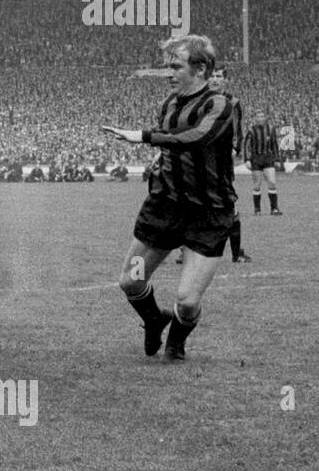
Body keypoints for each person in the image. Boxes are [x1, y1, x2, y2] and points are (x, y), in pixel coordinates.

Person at [103, 35, 236, 362]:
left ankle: (176, 341)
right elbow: (173, 146)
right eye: (169, 66)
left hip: (208, 213)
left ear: (201, 68)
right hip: (163, 209)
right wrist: (158, 159)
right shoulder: (169, 104)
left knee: (188, 300)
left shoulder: (218, 104)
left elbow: (197, 138)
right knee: (130, 280)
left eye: (176, 66)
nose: (169, 73)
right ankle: (154, 319)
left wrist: (144, 137)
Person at [207, 67, 251, 262]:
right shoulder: (198, 100)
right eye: (212, 76)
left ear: (225, 80)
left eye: (219, 76)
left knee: (227, 205)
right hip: (199, 161)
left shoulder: (233, 103)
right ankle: (187, 252)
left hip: (221, 162)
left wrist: (233, 152)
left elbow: (238, 131)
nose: (215, 79)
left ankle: (235, 254)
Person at [244, 108, 283, 216]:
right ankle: (257, 210)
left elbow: (274, 144)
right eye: (258, 116)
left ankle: (274, 209)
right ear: (255, 118)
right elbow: (246, 146)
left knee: (272, 182)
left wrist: (277, 159)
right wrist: (247, 159)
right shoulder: (251, 130)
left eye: (262, 116)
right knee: (257, 184)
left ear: (265, 117)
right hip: (256, 159)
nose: (260, 118)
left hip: (268, 158)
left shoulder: (271, 129)